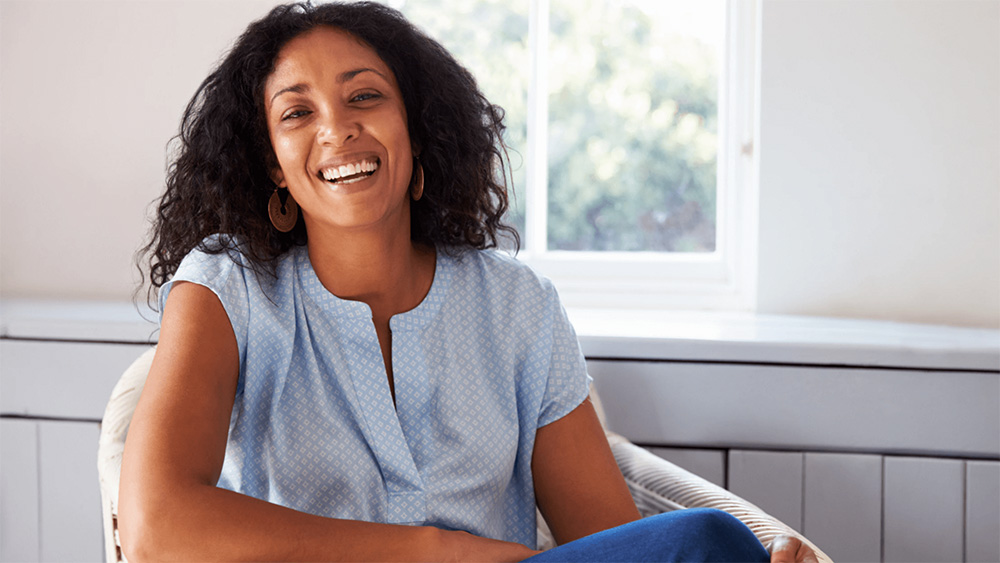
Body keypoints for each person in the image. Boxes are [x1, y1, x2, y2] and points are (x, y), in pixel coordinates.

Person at [119, 2, 814, 561]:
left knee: (706, 544)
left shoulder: (516, 306)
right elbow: (156, 527)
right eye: (296, 112)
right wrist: (432, 549)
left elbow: (609, 543)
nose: (337, 128)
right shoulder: (226, 286)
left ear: (416, 131)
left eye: (365, 95)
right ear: (272, 163)